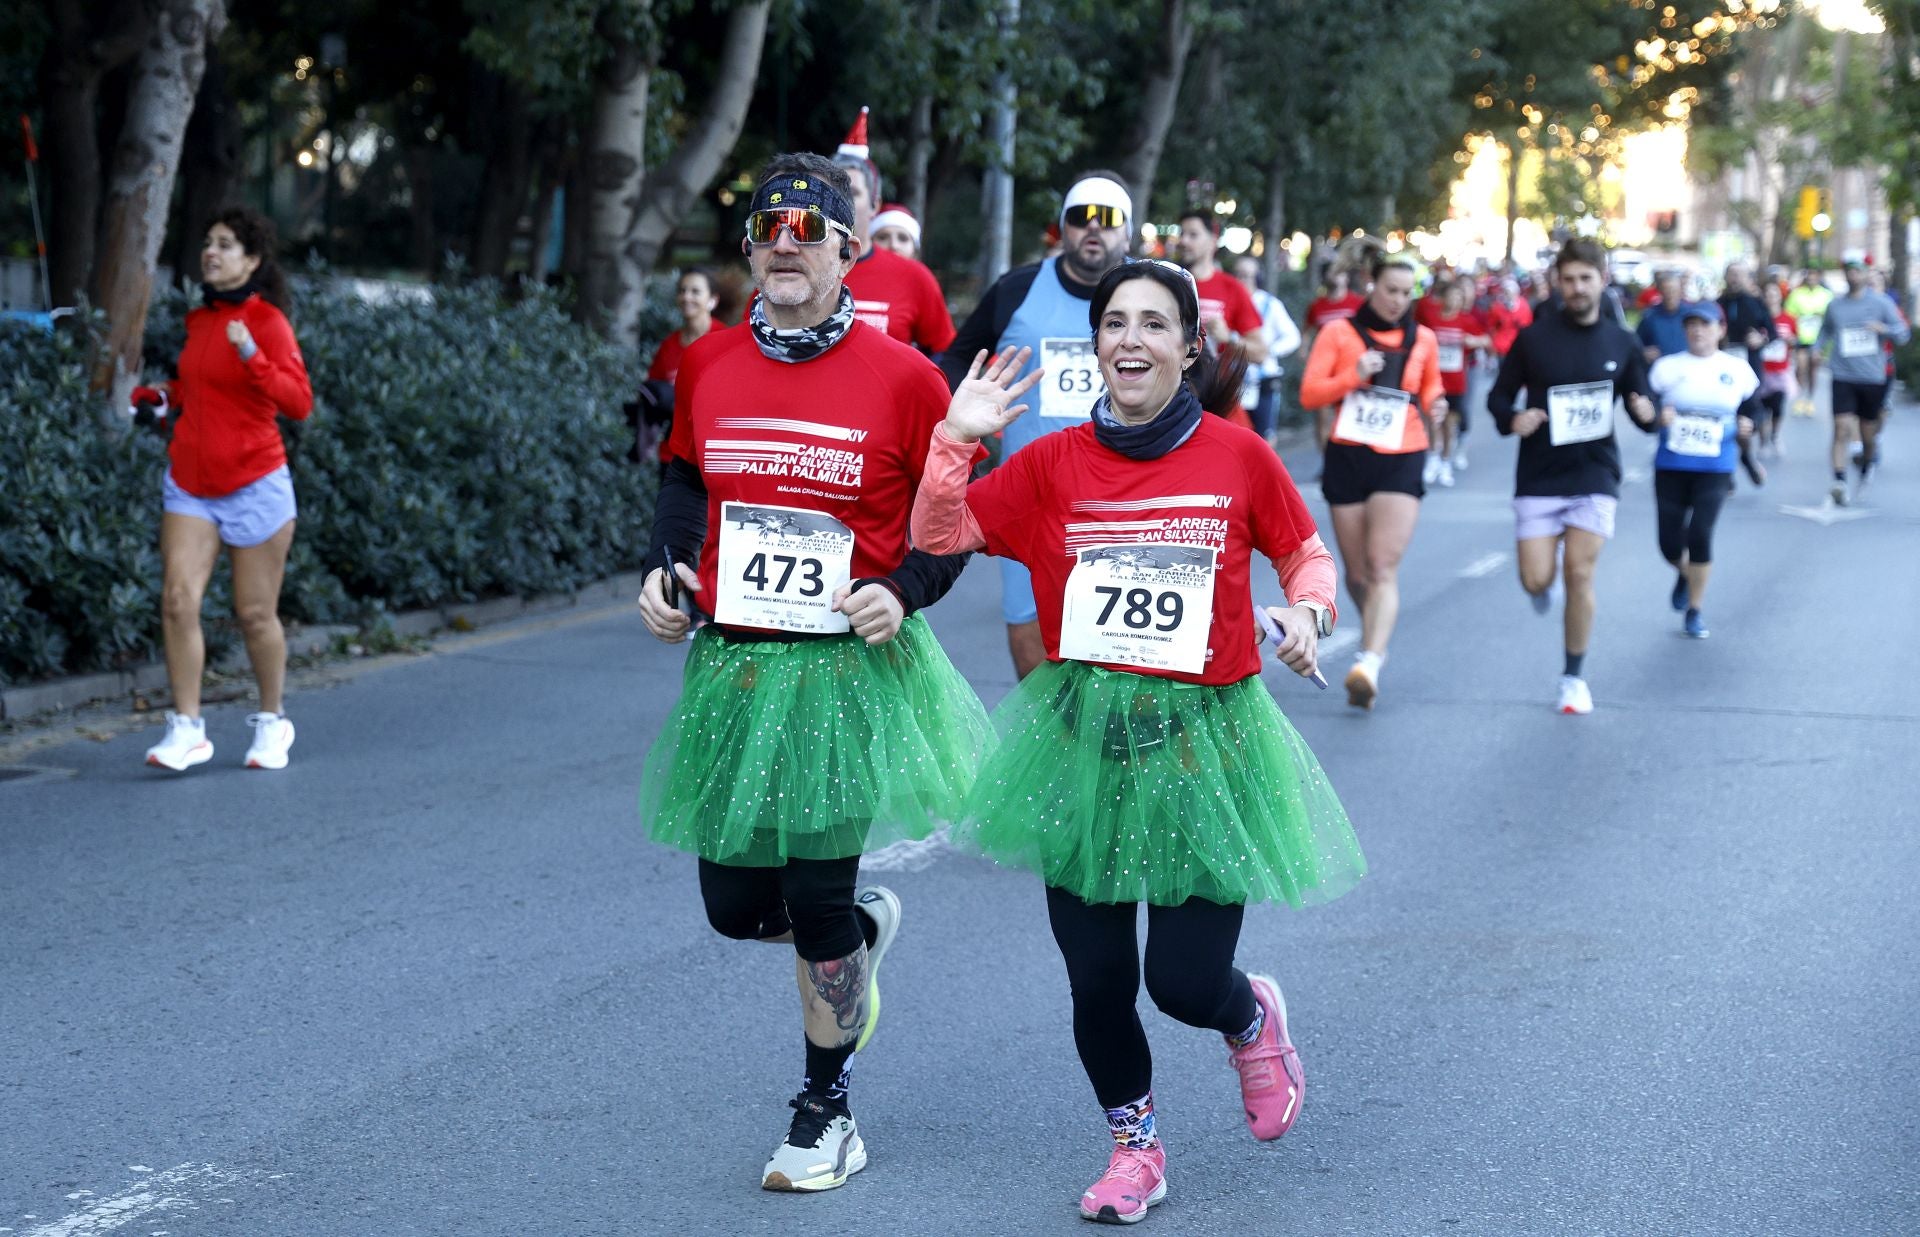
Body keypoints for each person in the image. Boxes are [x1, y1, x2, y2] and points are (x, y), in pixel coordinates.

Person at [911, 261, 1365, 1226]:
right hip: (1084, 749)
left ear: (1190, 348)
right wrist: (957, 438)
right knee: (1100, 979)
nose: (1131, 339)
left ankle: (1248, 1014)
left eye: (1155, 324)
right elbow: (941, 534)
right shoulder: (1050, 464)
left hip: (1205, 745)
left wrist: (1309, 612)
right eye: (1114, 322)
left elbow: (1305, 551)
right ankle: (1135, 1148)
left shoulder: (1238, 455)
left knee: (1183, 982)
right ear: (1096, 346)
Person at [635, 153, 989, 1193]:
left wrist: (906, 589)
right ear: (749, 250)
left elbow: (958, 518)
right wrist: (668, 567)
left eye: (809, 230)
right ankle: (861, 931)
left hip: (845, 672)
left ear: (850, 251)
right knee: (735, 904)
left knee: (818, 896)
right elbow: (684, 478)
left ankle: (826, 1109)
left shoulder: (906, 378)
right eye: (768, 228)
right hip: (737, 669)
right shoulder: (710, 363)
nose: (785, 244)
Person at [136, 206, 312, 773]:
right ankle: (187, 728)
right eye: (208, 242)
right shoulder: (200, 321)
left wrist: (251, 355)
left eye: (226, 245)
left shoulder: (267, 323)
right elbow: (199, 388)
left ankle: (272, 720)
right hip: (191, 483)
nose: (210, 252)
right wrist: (165, 397)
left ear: (252, 261)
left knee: (255, 614)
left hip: (255, 483)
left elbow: (298, 402)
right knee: (177, 600)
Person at [941, 171, 1135, 680]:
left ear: (1128, 231)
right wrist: (964, 410)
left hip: (1128, 492)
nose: (1094, 228)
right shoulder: (1019, 288)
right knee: (1027, 618)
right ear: (1062, 228)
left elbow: (1198, 373)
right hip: (1033, 493)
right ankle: (1051, 725)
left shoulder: (1152, 292)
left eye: (1108, 218)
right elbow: (955, 359)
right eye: (1080, 217)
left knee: (1123, 637)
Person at [1488, 239, 1657, 716]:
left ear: (1603, 280)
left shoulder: (1622, 342)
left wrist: (1647, 413)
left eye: (1586, 278)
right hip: (1539, 474)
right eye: (1569, 279)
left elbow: (1642, 404)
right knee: (1535, 580)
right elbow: (1498, 399)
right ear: (1556, 283)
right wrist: (1513, 419)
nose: (1578, 288)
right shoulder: (1533, 339)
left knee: (1580, 573)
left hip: (1595, 473)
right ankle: (1547, 581)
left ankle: (1573, 679)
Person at [1298, 256, 1443, 710]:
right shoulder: (1338, 333)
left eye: (1406, 292)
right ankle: (1374, 637)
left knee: (1382, 566)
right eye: (1391, 290)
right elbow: (1309, 394)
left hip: (1402, 454)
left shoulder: (1424, 338)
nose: (1398, 300)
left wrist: (1436, 403)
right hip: (1348, 455)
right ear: (1371, 286)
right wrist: (1354, 376)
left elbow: (1431, 387)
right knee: (1358, 574)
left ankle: (1370, 661)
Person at [1647, 303, 1761, 639]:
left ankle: (1694, 609)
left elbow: (1754, 409)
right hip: (1671, 465)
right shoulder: (1667, 368)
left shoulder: (1736, 369)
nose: (1698, 330)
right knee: (1669, 543)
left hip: (1715, 466)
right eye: (1692, 324)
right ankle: (1686, 573)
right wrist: (1657, 416)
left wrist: (1749, 424)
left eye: (1705, 324)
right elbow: (1645, 407)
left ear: (1720, 329)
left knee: (1700, 534)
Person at [832, 108, 956, 357]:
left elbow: (944, 354)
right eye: (832, 191)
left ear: (874, 205)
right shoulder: (792, 267)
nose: (841, 201)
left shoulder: (914, 277)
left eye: (853, 193)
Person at [1817, 258, 1911, 504]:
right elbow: (1826, 330)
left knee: (1867, 433)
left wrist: (1883, 329)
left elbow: (1903, 333)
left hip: (1872, 376)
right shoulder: (1835, 305)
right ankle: (1839, 481)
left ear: (1865, 274)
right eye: (1849, 271)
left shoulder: (1882, 303)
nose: (1853, 275)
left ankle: (1868, 461)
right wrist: (1817, 349)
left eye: (1857, 271)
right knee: (1841, 427)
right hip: (1842, 374)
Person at [631, 267, 720, 464]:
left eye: (695, 291)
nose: (686, 297)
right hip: (672, 454)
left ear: (712, 300)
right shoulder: (669, 345)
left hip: (712, 454)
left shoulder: (725, 341)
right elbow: (652, 391)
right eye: (682, 290)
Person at [1174, 211, 1269, 371]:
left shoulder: (1232, 287)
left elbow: (1260, 353)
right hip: (1171, 385)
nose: (1183, 241)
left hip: (1215, 386)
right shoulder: (1169, 284)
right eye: (1182, 234)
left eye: (1193, 235)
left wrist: (1229, 338)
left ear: (1213, 241)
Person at [1425, 277, 1491, 488]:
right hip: (1434, 379)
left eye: (1458, 298)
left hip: (1456, 381)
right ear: (1443, 298)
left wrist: (1472, 341)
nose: (1454, 301)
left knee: (1449, 424)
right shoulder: (1432, 318)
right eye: (1451, 296)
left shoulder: (1466, 321)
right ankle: (1433, 458)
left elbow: (1486, 340)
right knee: (1434, 420)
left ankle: (1446, 462)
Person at [1233, 254, 1301, 440]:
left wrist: (1269, 351)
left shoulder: (1270, 304)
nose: (1241, 280)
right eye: (1237, 274)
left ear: (1257, 277)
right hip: (1233, 380)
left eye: (1246, 275)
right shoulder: (1229, 304)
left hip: (1263, 379)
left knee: (1264, 437)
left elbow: (1293, 337)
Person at [1755, 280, 1797, 459]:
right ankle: (1763, 441)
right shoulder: (1758, 317)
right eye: (1767, 295)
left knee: (1778, 407)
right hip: (1761, 370)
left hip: (1780, 371)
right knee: (1762, 409)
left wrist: (1790, 340)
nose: (1771, 298)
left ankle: (1775, 435)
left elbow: (1796, 340)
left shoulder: (1789, 319)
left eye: (1774, 294)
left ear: (1781, 297)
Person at [1785, 270, 1833, 416]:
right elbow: (1789, 315)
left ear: (1818, 278)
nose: (1811, 280)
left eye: (1814, 278)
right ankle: (1800, 398)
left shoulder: (1826, 295)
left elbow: (1831, 317)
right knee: (1801, 368)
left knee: (1813, 370)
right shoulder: (1797, 294)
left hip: (1818, 339)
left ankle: (1810, 399)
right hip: (1801, 338)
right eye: (1809, 278)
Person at [1635, 269, 1692, 362]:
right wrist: (1644, 352)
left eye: (1673, 290)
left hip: (1688, 366)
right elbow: (1637, 345)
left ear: (1680, 290)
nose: (1670, 294)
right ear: (1659, 291)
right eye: (1666, 290)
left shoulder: (1691, 314)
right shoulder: (1649, 316)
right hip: (1659, 367)